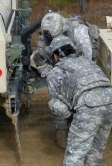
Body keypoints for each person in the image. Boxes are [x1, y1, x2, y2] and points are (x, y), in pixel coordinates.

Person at [45, 35, 112, 166]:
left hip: (88, 104)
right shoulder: (88, 62)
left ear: (55, 56)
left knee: (76, 151)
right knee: (98, 145)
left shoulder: (56, 71)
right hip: (110, 100)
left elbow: (59, 108)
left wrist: (69, 113)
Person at [33, 11, 94, 149]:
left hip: (80, 70)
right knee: (56, 97)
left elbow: (86, 60)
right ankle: (61, 130)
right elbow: (41, 60)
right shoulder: (45, 38)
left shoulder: (79, 33)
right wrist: (52, 74)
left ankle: (81, 128)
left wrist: (69, 76)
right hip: (59, 71)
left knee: (81, 98)